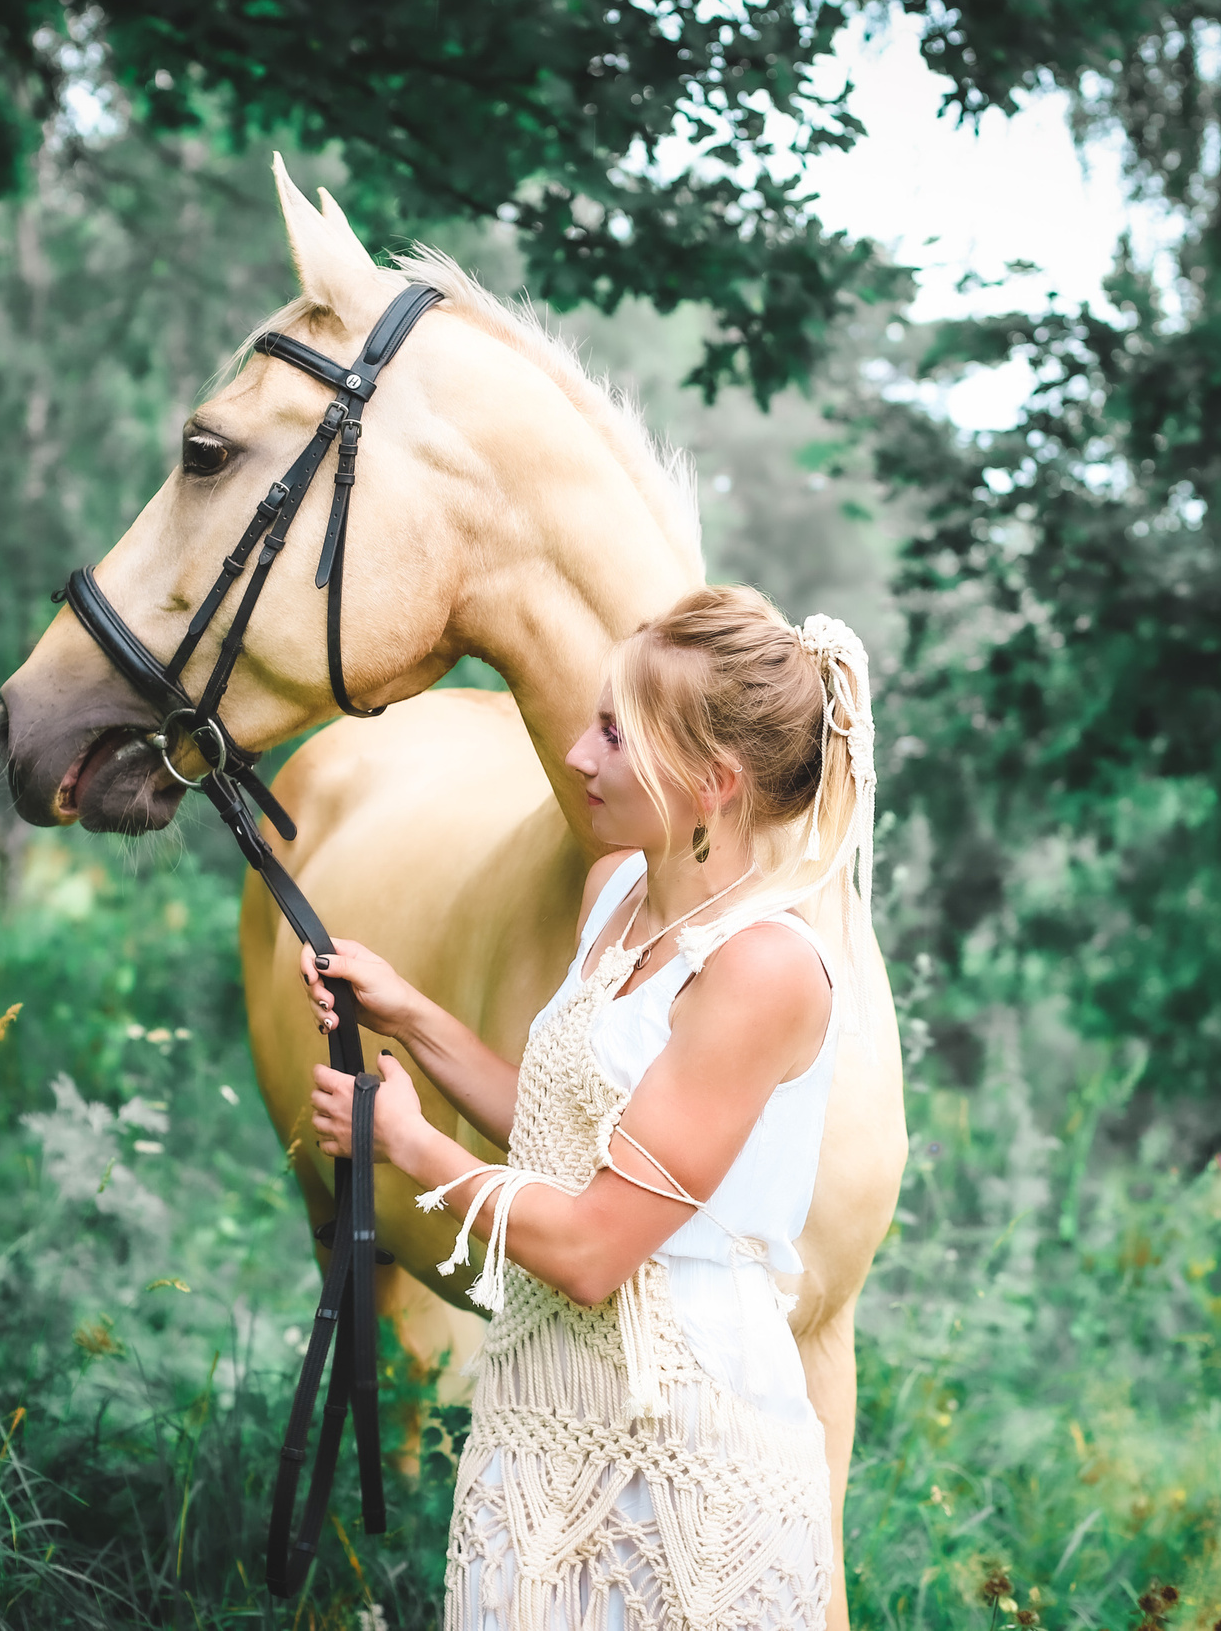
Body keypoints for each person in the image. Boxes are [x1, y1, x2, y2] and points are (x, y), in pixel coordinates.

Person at [298, 583, 879, 1631]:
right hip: (541, 1405)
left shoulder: (763, 971)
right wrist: (409, 1014)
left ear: (711, 782)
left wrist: (410, 1144)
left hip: (682, 1441)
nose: (578, 756)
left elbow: (594, 1246)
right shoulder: (617, 889)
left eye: (616, 734)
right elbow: (566, 1134)